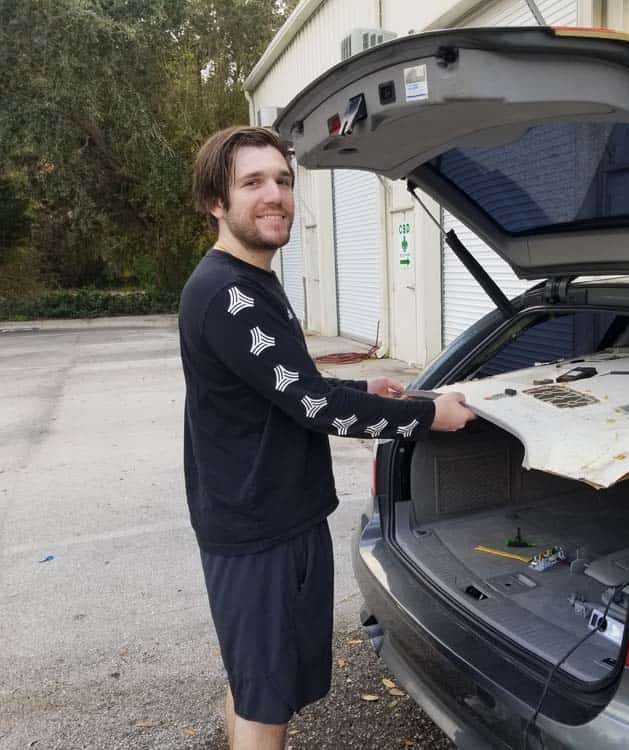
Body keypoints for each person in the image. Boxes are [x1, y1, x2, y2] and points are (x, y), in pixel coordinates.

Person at [179, 126, 475, 750]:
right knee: (267, 698)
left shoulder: (248, 281)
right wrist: (429, 417)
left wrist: (365, 390)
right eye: (253, 182)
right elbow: (313, 407)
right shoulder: (227, 293)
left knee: (256, 676)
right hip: (259, 529)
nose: (275, 195)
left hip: (269, 514)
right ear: (215, 202)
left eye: (283, 180)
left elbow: (285, 383)